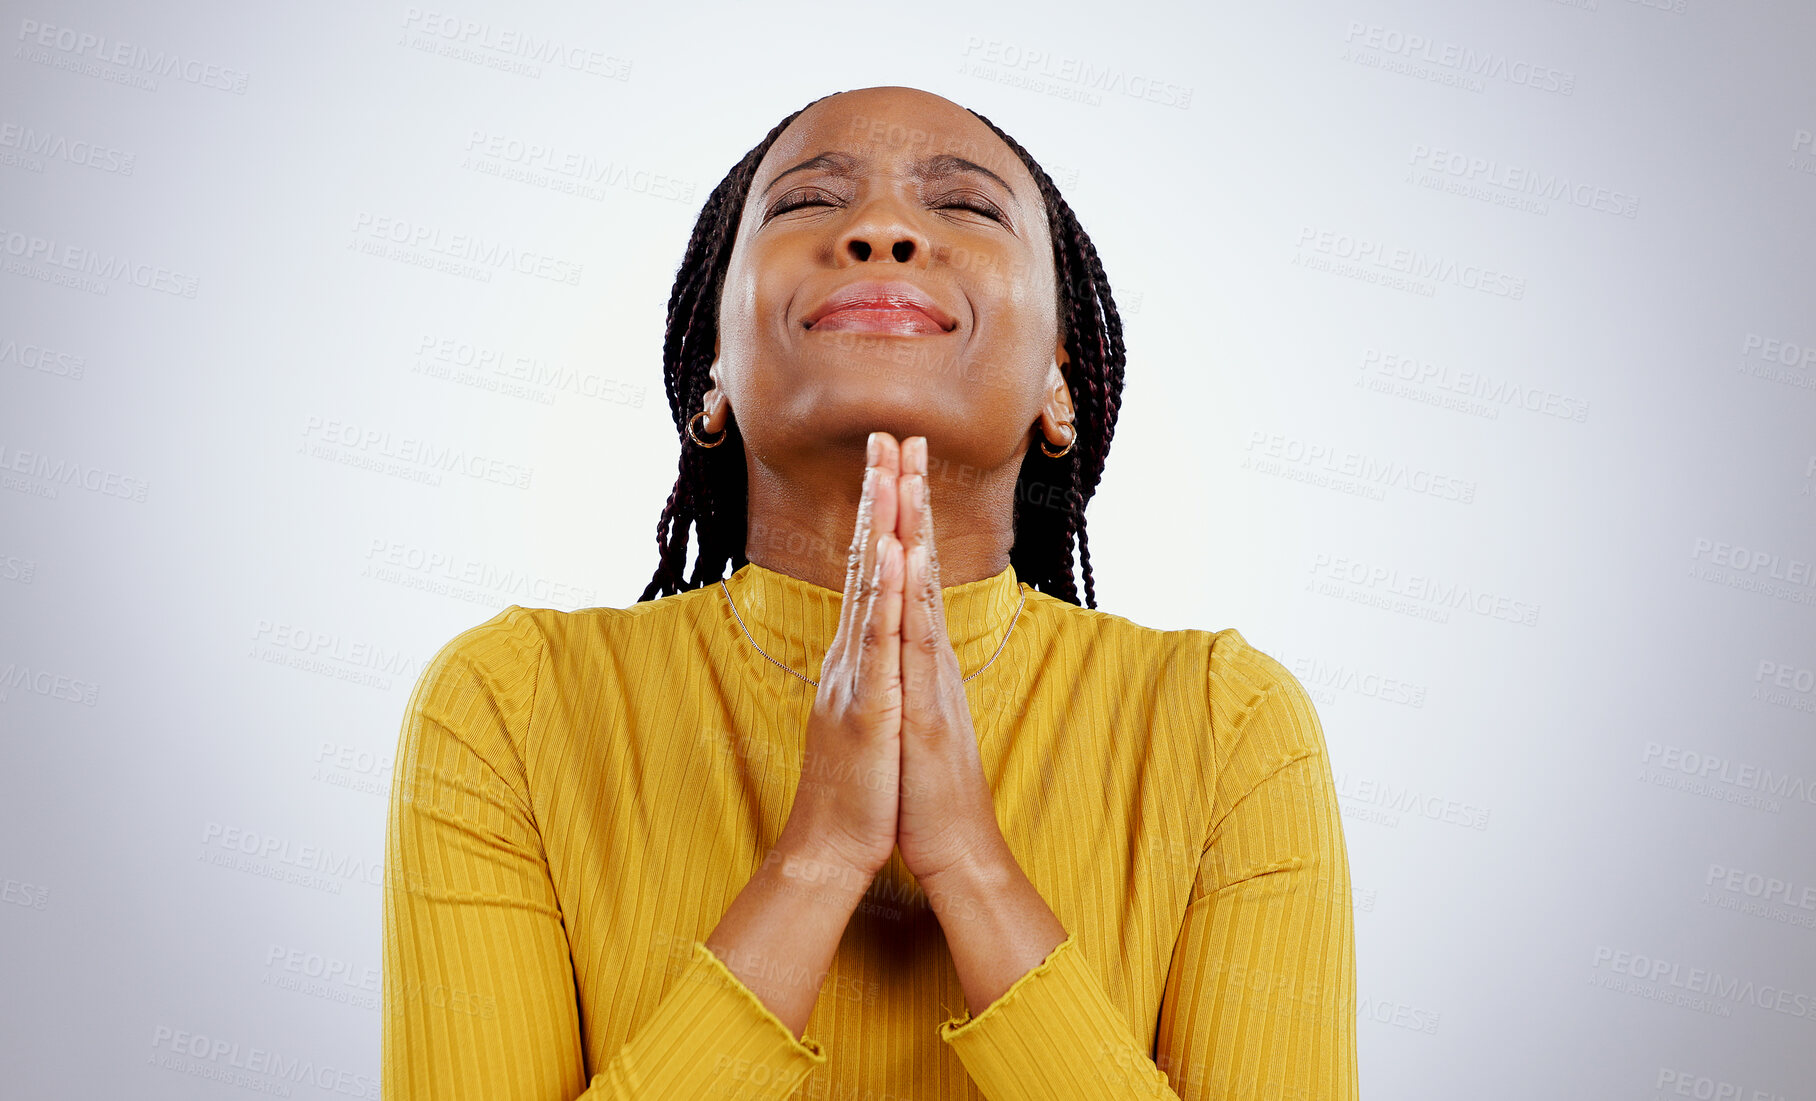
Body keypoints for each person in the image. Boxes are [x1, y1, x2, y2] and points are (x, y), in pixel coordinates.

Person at [381, 84, 1358, 1100]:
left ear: (1059, 385)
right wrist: (819, 857)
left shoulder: (1228, 725)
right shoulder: (509, 703)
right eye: (807, 201)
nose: (882, 229)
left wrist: (972, 867)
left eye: (967, 209)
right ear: (711, 370)